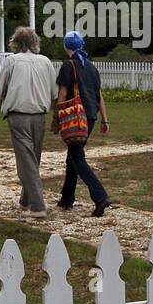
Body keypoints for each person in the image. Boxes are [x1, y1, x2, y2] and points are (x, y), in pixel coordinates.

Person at [0, 26, 56, 215]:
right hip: (39, 116)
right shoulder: (45, 62)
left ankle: (37, 206)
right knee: (33, 159)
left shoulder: (12, 61)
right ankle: (25, 199)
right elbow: (54, 94)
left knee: (27, 162)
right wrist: (56, 116)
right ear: (35, 43)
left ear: (16, 43)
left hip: (18, 116)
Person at [53, 30, 112, 217]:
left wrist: (56, 119)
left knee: (77, 157)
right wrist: (104, 118)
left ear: (66, 46)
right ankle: (67, 198)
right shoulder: (92, 68)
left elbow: (62, 94)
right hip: (91, 117)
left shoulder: (68, 66)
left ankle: (100, 196)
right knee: (73, 157)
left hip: (75, 117)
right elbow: (99, 96)